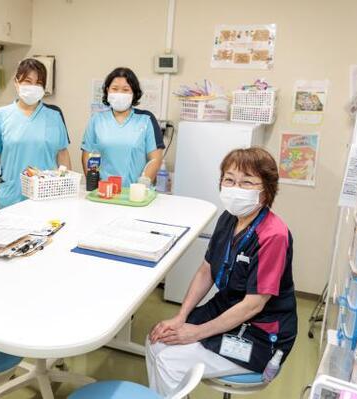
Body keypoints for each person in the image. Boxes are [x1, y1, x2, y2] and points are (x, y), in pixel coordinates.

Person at [146, 147, 297, 397]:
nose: (236, 188)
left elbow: (253, 306)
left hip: (260, 334)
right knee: (157, 341)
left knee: (169, 359)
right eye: (229, 179)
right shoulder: (228, 218)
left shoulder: (273, 235)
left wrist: (195, 332)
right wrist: (181, 317)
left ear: (266, 191)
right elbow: (206, 269)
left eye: (247, 182)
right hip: (225, 309)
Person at [0, 58, 71, 211]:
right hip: (12, 195)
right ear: (16, 82)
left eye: (39, 83)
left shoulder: (54, 117)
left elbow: (62, 154)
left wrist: (67, 189)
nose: (33, 87)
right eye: (28, 81)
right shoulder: (1, 115)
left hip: (47, 197)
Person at [81, 67, 165, 186]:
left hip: (136, 194)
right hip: (104, 193)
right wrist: (94, 186)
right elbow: (87, 156)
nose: (119, 93)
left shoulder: (146, 119)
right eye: (115, 89)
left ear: (134, 93)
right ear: (107, 90)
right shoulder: (97, 120)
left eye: (125, 90)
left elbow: (155, 159)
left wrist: (142, 185)